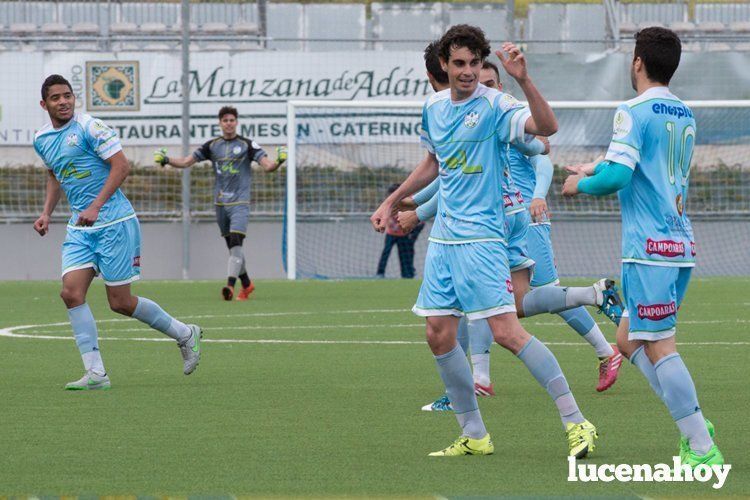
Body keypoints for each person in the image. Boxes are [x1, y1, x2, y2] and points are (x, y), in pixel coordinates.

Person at [371, 25, 597, 458]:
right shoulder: (434, 107)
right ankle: (474, 433)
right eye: (459, 63)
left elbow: (548, 126)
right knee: (438, 334)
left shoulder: (497, 105)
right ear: (443, 64)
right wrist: (392, 200)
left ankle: (577, 422)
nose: (468, 72)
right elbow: (433, 163)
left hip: (483, 239)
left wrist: (525, 79)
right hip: (444, 241)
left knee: (507, 332)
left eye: (475, 63)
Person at [402, 56, 622, 413]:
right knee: (515, 305)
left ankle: (481, 383)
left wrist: (537, 187)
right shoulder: (466, 118)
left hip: (508, 220)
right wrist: (412, 202)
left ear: (500, 88)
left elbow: (542, 152)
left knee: (478, 305)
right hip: (501, 220)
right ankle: (594, 303)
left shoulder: (502, 116)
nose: (479, 85)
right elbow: (450, 177)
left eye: (488, 83)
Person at [561, 27, 724, 467]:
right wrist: (596, 164)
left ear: (637, 62)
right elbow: (644, 162)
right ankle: (692, 422)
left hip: (648, 249)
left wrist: (581, 182)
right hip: (679, 244)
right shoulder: (683, 111)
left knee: (660, 346)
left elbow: (618, 178)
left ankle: (701, 446)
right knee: (628, 339)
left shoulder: (631, 109)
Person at [33, 74, 202, 390]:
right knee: (71, 293)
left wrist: (96, 205)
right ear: (44, 104)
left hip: (114, 223)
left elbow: (121, 166)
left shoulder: (89, 127)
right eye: (56, 98)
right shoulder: (42, 139)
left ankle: (184, 333)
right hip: (81, 229)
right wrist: (46, 213)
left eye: (67, 95)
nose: (63, 101)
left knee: (120, 302)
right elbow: (55, 176)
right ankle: (96, 374)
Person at [153, 106, 287, 301]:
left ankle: (230, 286)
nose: (229, 124)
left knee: (235, 241)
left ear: (237, 122)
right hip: (221, 204)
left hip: (240, 202)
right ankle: (247, 284)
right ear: (220, 123)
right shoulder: (212, 146)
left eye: (232, 120)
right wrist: (166, 159)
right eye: (225, 120)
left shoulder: (248, 144)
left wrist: (280, 161)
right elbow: (186, 162)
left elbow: (268, 166)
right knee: (234, 248)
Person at [375, 184, 424, 278]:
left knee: (406, 254)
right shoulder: (389, 203)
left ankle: (408, 274)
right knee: (386, 252)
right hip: (391, 234)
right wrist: (389, 223)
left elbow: (419, 218)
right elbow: (386, 215)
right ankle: (380, 273)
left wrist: (413, 233)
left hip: (405, 234)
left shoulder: (409, 201)